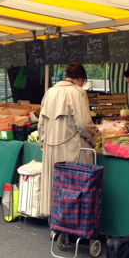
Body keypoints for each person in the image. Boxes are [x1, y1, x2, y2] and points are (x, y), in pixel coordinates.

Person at [38, 63, 97, 217]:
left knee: (55, 188)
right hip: (72, 150)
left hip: (51, 149)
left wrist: (43, 145)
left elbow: (41, 126)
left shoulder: (49, 92)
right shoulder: (78, 92)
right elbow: (84, 124)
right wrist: (93, 137)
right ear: (80, 79)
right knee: (73, 189)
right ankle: (72, 224)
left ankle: (55, 221)